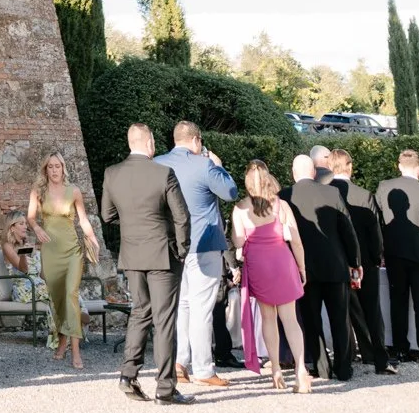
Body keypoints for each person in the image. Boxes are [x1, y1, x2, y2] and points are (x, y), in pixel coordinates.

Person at [99, 123, 191, 405]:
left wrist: (131, 224)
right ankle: (165, 387)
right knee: (164, 321)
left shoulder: (112, 173)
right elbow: (182, 217)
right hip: (163, 254)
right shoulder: (163, 173)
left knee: (140, 312)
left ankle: (129, 374)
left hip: (132, 253)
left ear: (130, 143)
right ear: (149, 142)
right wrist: (182, 249)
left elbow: (107, 215)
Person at [154, 120, 238, 390]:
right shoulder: (204, 164)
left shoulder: (158, 163)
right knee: (202, 308)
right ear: (196, 140)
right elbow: (230, 192)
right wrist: (219, 164)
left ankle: (179, 363)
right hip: (204, 244)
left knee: (183, 305)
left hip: (172, 246)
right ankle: (203, 368)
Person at [230, 161, 312, 393]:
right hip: (282, 261)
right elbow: (295, 240)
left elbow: (238, 242)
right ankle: (300, 370)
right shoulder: (281, 205)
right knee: (290, 319)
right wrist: (302, 267)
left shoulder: (240, 208)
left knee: (268, 319)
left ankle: (275, 369)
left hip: (258, 264)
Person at [283, 151, 359, 381]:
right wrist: (355, 261)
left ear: (293, 173)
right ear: (314, 172)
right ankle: (344, 368)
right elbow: (348, 230)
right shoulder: (332, 192)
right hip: (335, 265)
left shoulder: (285, 196)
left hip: (303, 268)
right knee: (339, 319)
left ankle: (321, 367)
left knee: (311, 320)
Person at [27, 151, 100, 370]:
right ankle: (62, 341)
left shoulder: (74, 191)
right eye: (50, 166)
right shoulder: (38, 192)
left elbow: (84, 220)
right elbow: (30, 217)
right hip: (51, 253)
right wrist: (37, 227)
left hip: (72, 252)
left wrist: (93, 240)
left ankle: (75, 351)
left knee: (71, 296)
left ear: (63, 168)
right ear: (45, 170)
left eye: (58, 166)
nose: (55, 170)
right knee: (57, 300)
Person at [329, 149, 394, 375]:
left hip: (336, 262)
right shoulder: (365, 195)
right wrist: (376, 259)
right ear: (350, 167)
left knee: (342, 313)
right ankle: (379, 358)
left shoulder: (326, 193)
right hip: (364, 261)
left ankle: (345, 359)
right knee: (372, 312)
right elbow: (375, 233)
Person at [376, 150, 419, 362]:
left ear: (399, 166)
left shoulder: (383, 188)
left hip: (394, 253)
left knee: (397, 301)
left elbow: (377, 222)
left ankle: (400, 349)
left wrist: (381, 249)